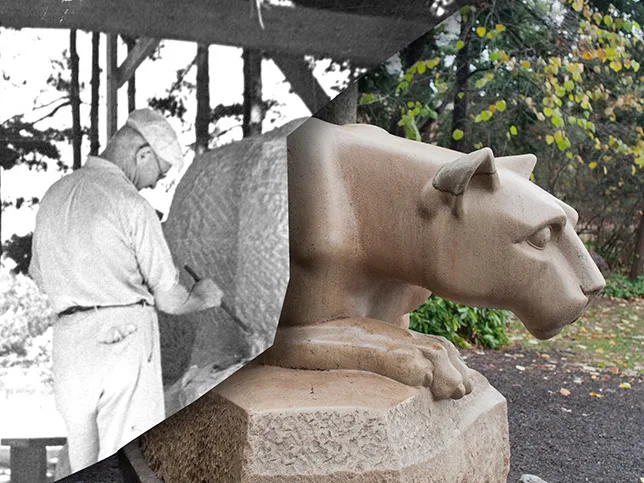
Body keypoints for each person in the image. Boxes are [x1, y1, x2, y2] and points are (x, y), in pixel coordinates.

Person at [29, 108, 223, 474]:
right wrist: (203, 296)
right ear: (143, 154)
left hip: (69, 344)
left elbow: (41, 278)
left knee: (81, 463)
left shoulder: (54, 197)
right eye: (159, 173)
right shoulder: (130, 204)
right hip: (123, 338)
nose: (153, 184)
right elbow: (170, 298)